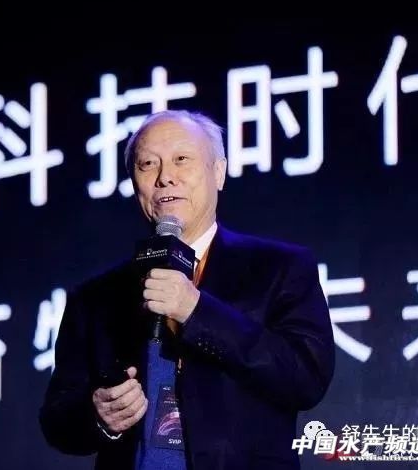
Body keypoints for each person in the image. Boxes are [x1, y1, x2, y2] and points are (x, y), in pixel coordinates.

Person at [39, 110, 335, 469]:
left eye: (182, 159)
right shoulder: (95, 297)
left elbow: (306, 377)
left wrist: (197, 311)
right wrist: (100, 416)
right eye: (148, 164)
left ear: (218, 172)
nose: (165, 177)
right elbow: (57, 419)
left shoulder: (279, 267)